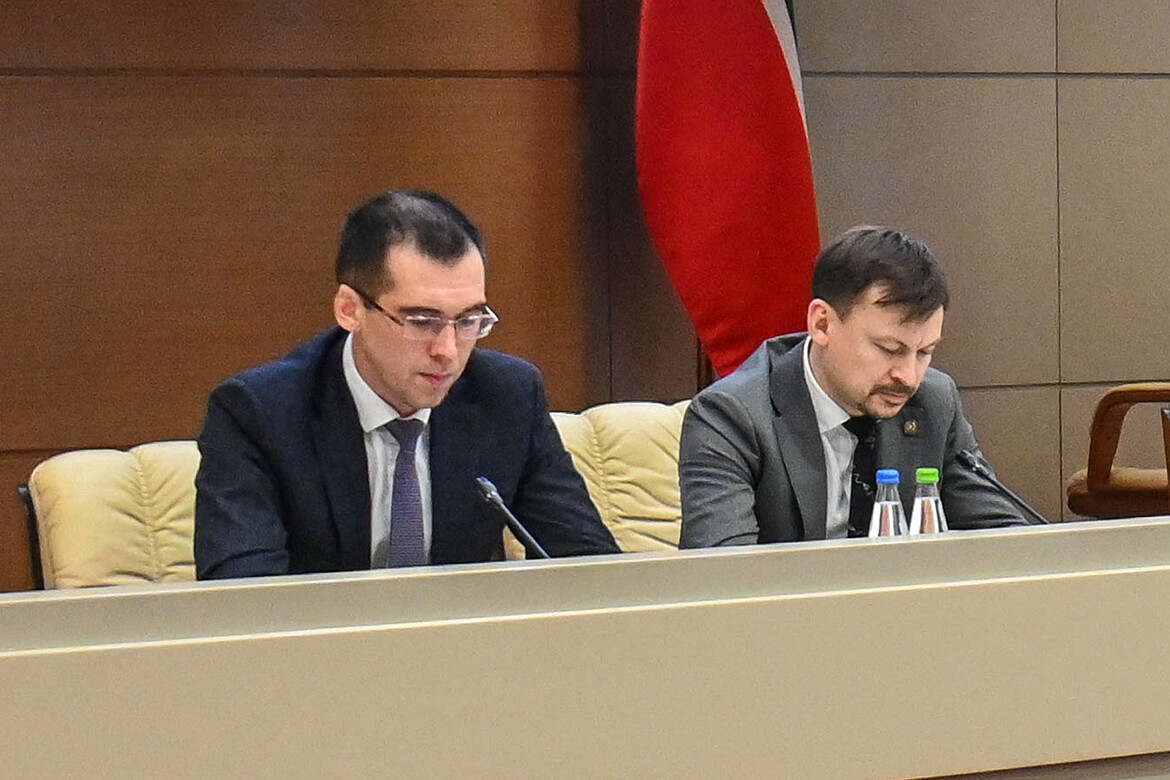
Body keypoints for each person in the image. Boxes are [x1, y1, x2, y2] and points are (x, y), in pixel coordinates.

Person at [195, 189, 618, 578]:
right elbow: (246, 601)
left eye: (468, 320)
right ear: (350, 310)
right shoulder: (258, 414)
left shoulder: (508, 396)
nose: (447, 350)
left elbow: (594, 572)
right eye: (421, 321)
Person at [679, 225, 1023, 548]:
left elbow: (1004, 542)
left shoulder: (934, 402)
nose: (909, 377)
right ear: (822, 324)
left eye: (925, 352)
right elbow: (725, 576)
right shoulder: (731, 418)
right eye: (889, 349)